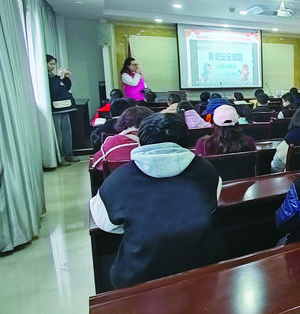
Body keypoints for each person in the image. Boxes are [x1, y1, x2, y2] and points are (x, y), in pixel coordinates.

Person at [89, 113, 222, 289]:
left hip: (139, 281)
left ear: (141, 141)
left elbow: (105, 223)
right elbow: (212, 204)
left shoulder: (119, 179)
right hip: (200, 272)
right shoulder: (206, 170)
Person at [91, 106, 153, 172]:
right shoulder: (156, 143)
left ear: (123, 122)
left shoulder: (112, 142)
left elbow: (95, 163)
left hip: (118, 177)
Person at [46, 54, 78, 164]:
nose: (52, 67)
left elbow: (65, 88)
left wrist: (66, 78)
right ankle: (61, 157)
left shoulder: (53, 76)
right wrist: (57, 77)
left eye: (54, 64)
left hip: (65, 106)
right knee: (59, 134)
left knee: (67, 132)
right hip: (56, 108)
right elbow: (53, 90)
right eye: (51, 64)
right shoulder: (46, 77)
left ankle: (69, 155)